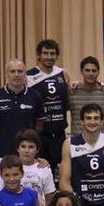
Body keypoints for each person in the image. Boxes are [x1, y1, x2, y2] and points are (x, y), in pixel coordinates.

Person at [27, 39, 71, 172]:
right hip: (40, 133)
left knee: (59, 169)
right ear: (38, 55)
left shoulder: (63, 73)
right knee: (40, 169)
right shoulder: (29, 76)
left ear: (57, 56)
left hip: (59, 132)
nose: (49, 57)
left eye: (52, 53)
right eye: (45, 53)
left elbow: (69, 94)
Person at [0, 59, 46, 156]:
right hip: (2, 152)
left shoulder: (35, 96)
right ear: (6, 74)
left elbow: (39, 125)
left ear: (25, 74)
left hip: (27, 153)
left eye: (20, 71)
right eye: (12, 71)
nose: (16, 74)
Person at [0, 129, 56, 206]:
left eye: (31, 147)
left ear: (37, 150)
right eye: (23, 146)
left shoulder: (44, 169)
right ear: (17, 148)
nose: (26, 151)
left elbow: (49, 198)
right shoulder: (7, 165)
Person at [69, 56, 104, 135]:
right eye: (87, 70)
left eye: (94, 71)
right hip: (77, 142)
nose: (91, 74)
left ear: (98, 72)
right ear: (82, 71)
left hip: (101, 143)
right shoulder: (72, 92)